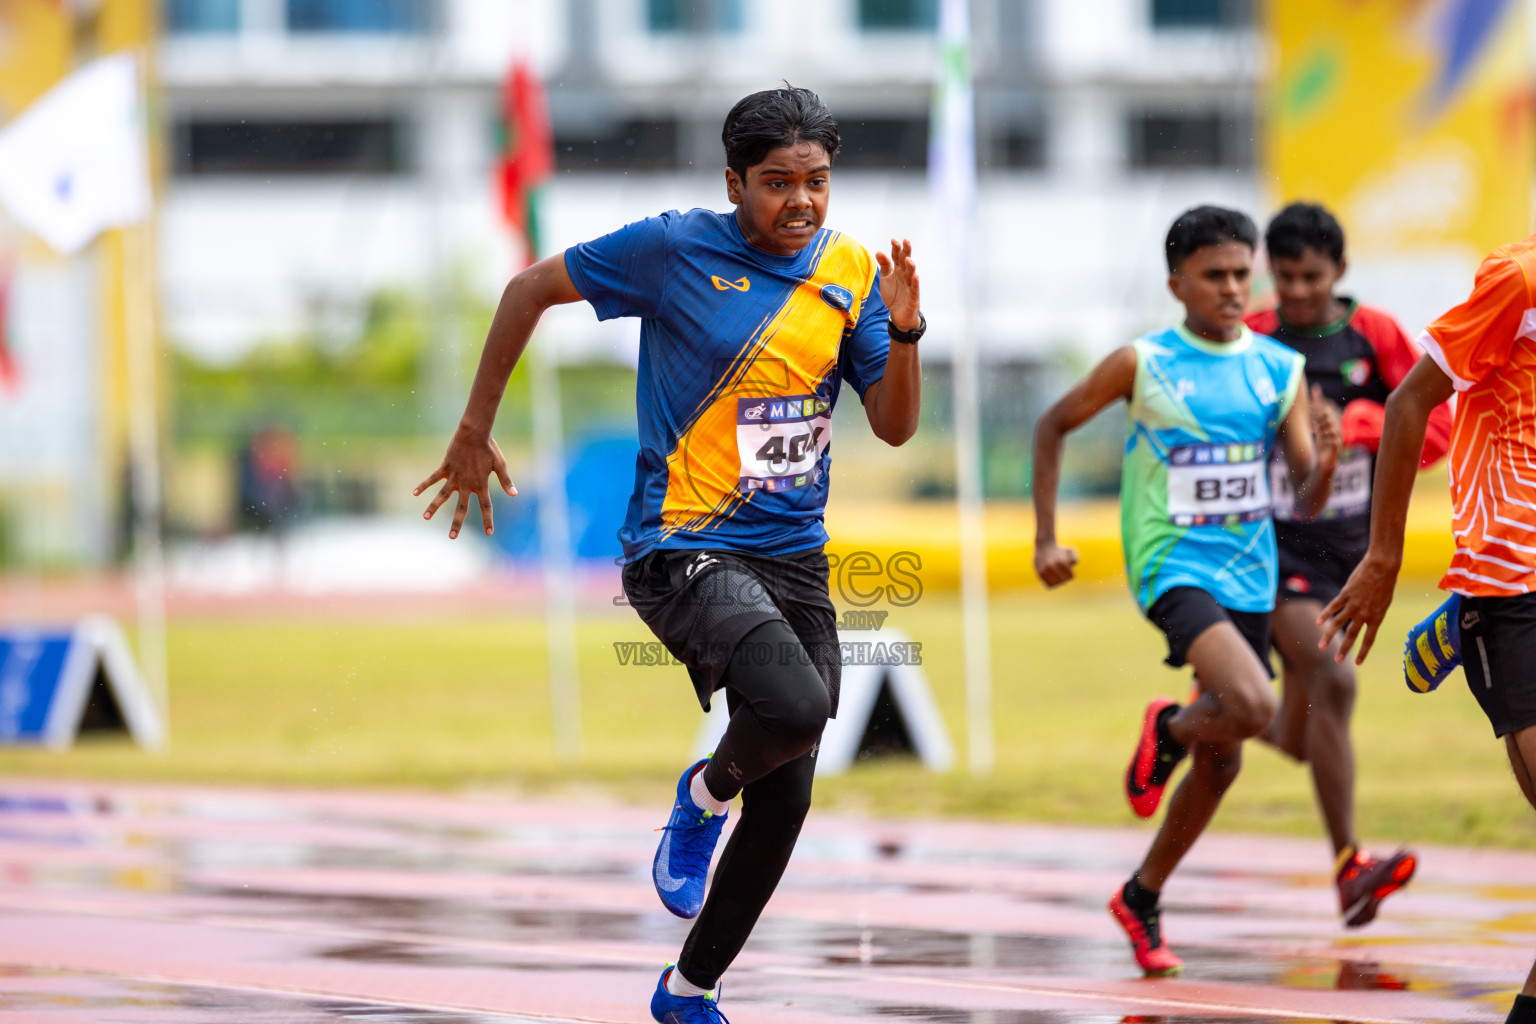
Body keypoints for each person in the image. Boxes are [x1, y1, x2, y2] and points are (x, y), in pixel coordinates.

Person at [414, 85, 924, 1023]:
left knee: (792, 785)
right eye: (777, 184)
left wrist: (903, 331)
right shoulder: (674, 248)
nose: (801, 202)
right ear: (734, 182)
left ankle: (688, 991)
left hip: (794, 558)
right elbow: (528, 288)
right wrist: (474, 427)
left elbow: (893, 428)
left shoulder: (851, 271)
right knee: (797, 705)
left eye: (816, 181)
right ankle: (699, 795)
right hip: (681, 546)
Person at [1032, 205, 1341, 976]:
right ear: (1178, 284)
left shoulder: (1279, 369)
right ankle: (1168, 727)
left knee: (1225, 762)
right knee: (1257, 706)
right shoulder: (1144, 363)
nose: (1234, 288)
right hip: (1171, 565)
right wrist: (1045, 536)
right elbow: (1052, 424)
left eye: (1243, 273)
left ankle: (1141, 894)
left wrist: (1326, 464)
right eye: (1215, 275)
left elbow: (1303, 497)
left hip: (1250, 571)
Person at [1320, 231, 1536, 1024]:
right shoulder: (1519, 280)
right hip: (1515, 578)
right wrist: (1382, 558)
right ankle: (1466, 609)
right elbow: (1413, 401)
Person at [1244, 202, 1450, 926]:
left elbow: (1435, 435)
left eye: (1311, 276)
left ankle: (1193, 721)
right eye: (1285, 277)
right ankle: (1349, 868)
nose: (1297, 292)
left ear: (1341, 271)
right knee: (1333, 679)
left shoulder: (1378, 336)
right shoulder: (1256, 337)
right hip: (1272, 555)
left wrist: (1359, 429)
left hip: (1351, 557)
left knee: (1297, 727)